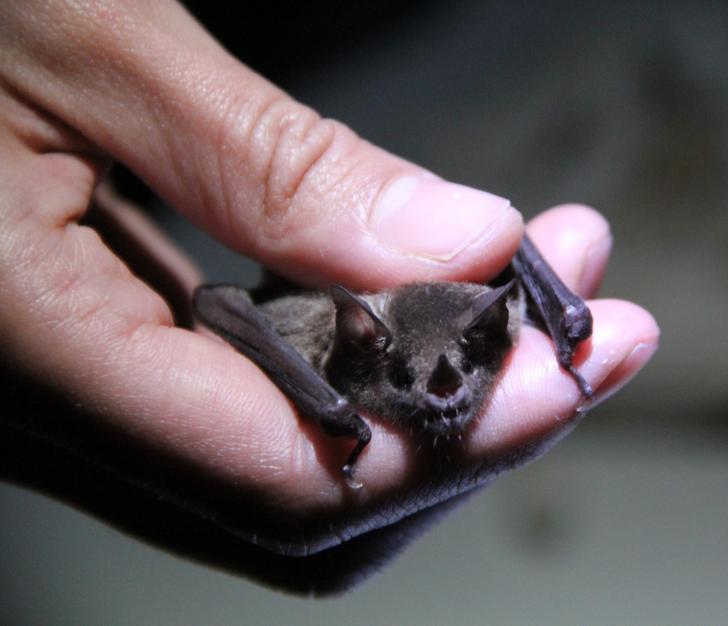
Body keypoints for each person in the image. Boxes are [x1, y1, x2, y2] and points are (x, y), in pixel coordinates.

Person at [0, 0, 658, 593]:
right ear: (373, 354)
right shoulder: (342, 352)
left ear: (489, 333)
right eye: (412, 374)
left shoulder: (492, 314)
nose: (443, 391)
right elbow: (218, 302)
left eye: (451, 371)